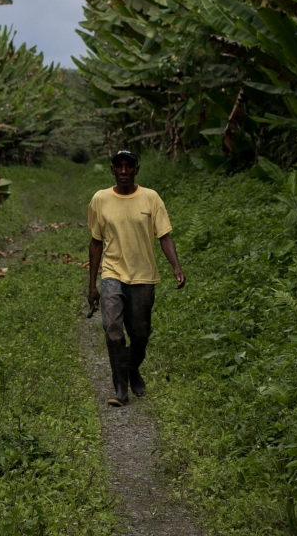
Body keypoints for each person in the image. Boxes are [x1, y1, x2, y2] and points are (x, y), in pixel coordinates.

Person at [87, 149, 185, 406]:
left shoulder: (151, 198)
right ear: (112, 170)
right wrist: (92, 285)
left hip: (143, 276)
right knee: (113, 330)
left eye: (128, 167)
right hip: (112, 273)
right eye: (118, 167)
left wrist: (176, 266)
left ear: (136, 169)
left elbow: (164, 236)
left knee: (140, 333)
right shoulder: (100, 199)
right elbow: (96, 242)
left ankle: (132, 369)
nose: (123, 171)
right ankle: (120, 388)